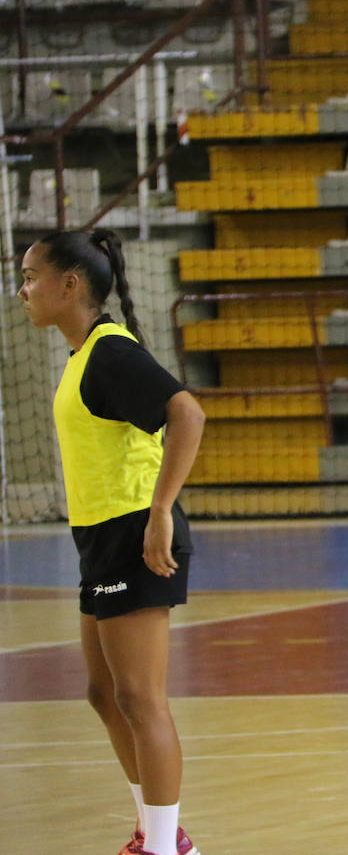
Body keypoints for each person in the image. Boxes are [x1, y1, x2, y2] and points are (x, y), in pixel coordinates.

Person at [18, 229, 205, 855]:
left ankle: (162, 848)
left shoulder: (109, 352)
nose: (21, 288)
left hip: (135, 533)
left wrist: (159, 512)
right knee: (104, 693)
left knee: (139, 697)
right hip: (99, 537)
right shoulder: (81, 358)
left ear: (70, 284)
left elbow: (188, 413)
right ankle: (157, 832)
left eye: (31, 275)